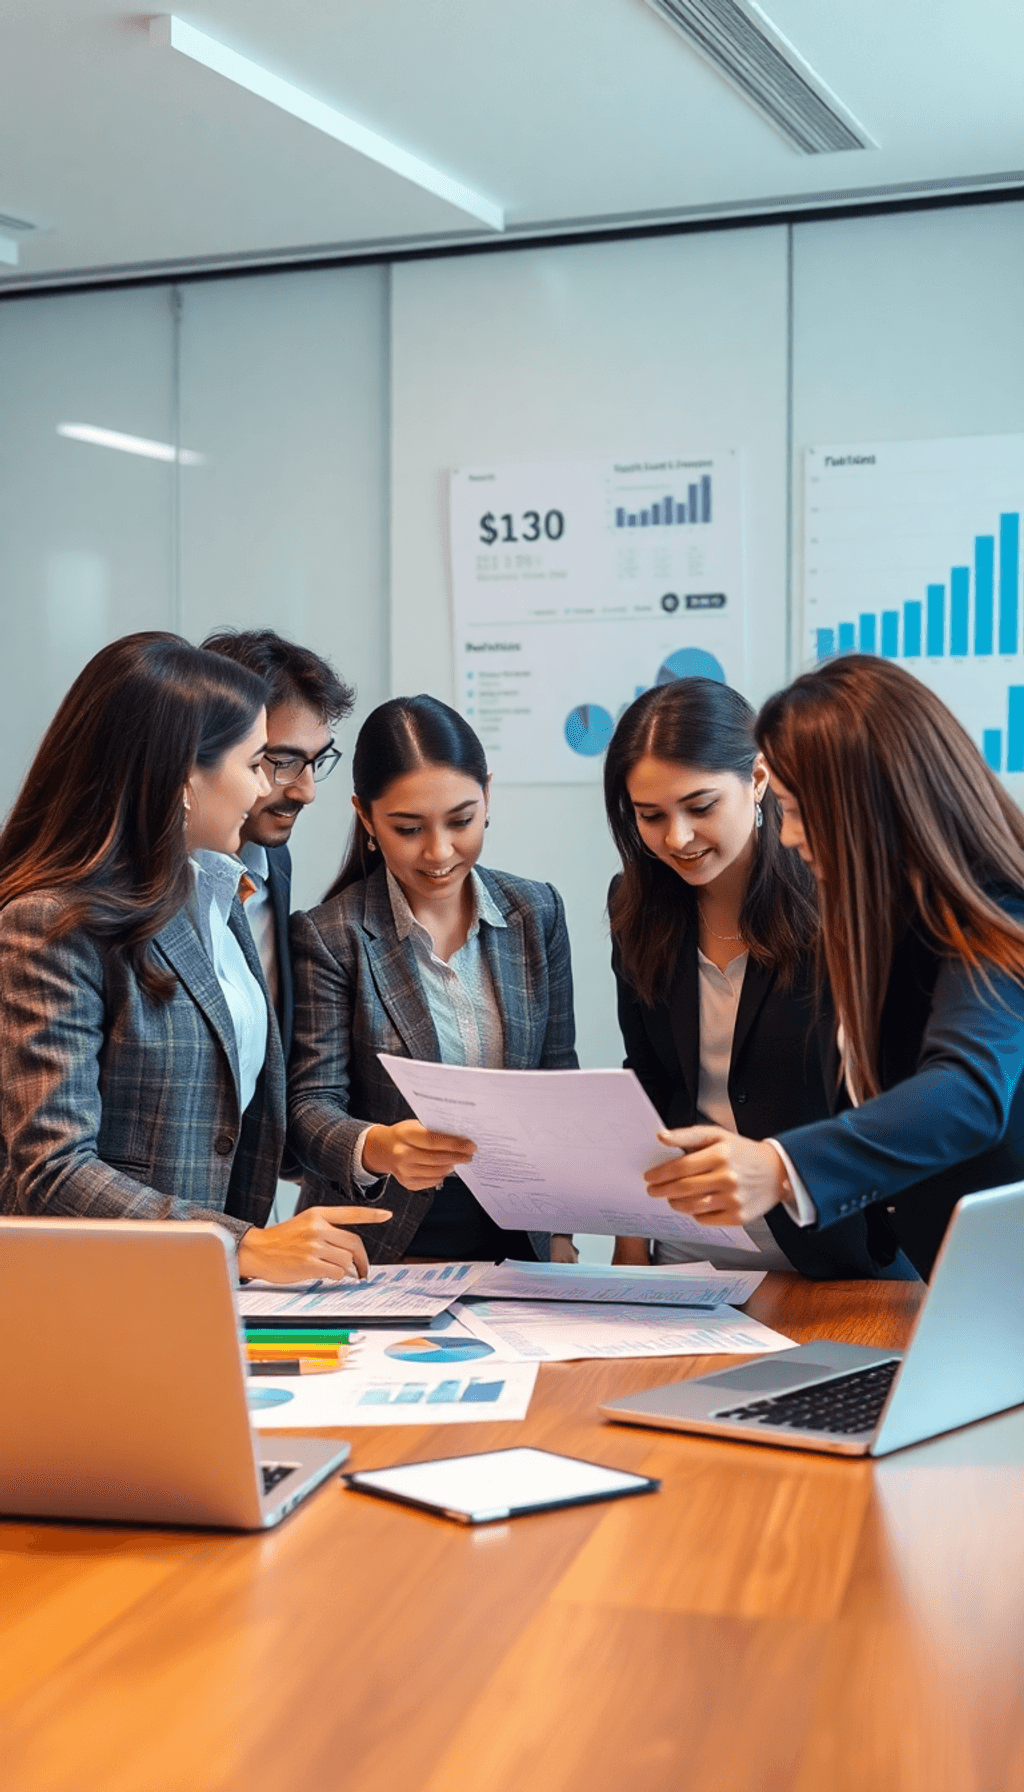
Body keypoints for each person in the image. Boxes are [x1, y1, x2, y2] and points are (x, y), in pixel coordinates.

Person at [0, 633, 389, 1283]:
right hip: (90, 1295)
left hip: (210, 1295)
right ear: (185, 777)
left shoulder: (220, 892)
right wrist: (240, 1245)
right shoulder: (48, 924)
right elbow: (53, 1168)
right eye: (256, 762)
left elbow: (237, 1112)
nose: (266, 787)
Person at [644, 655, 1024, 1279]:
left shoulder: (993, 907)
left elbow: (966, 1093)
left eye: (795, 808)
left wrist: (780, 1167)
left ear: (863, 803)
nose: (788, 836)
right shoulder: (876, 912)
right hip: (952, 1280)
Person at [605, 676, 913, 1277]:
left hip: (833, 1254)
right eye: (651, 815)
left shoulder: (837, 904)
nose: (678, 838)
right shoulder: (635, 908)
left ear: (758, 781)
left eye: (700, 807)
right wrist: (632, 1240)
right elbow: (647, 1081)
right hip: (688, 1252)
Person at [288, 694, 580, 1263]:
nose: (440, 851)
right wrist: (379, 1146)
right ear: (366, 817)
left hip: (521, 1244)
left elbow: (557, 1079)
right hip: (380, 1249)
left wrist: (563, 1232)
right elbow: (307, 1108)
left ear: (488, 795)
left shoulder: (535, 911)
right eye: (408, 828)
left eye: (461, 820)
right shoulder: (331, 936)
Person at [201, 628, 355, 1058]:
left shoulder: (273, 861)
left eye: (316, 761)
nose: (307, 791)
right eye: (283, 762)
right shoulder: (138, 892)